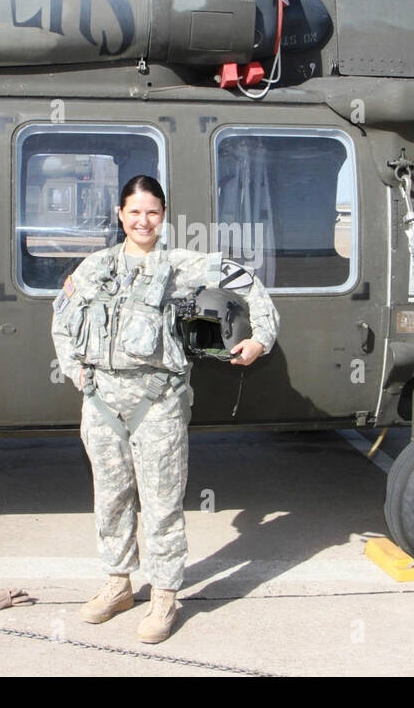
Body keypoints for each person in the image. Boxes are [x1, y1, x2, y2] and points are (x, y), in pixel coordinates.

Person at [50, 175, 279, 644]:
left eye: (152, 212)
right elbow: (62, 317)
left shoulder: (181, 266)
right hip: (101, 404)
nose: (143, 221)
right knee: (110, 498)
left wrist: (260, 339)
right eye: (134, 212)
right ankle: (117, 584)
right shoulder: (94, 268)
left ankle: (165, 597)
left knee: (161, 504)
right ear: (120, 215)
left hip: (157, 404)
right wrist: (75, 369)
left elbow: (249, 282)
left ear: (163, 215)